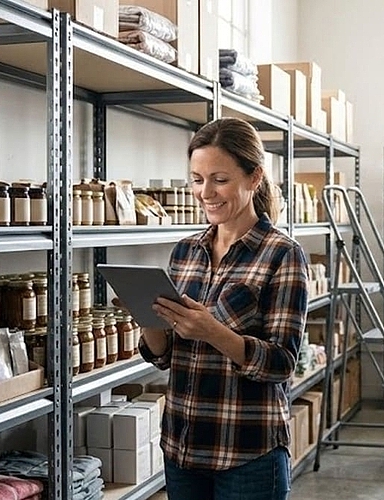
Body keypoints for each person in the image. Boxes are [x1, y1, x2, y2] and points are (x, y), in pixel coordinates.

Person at [140, 117, 309, 500]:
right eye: (197, 179)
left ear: (254, 178)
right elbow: (163, 355)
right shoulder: (185, 252)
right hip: (182, 443)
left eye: (219, 179)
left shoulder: (282, 255)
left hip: (247, 450)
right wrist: (148, 318)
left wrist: (212, 331)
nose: (205, 192)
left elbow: (282, 362)